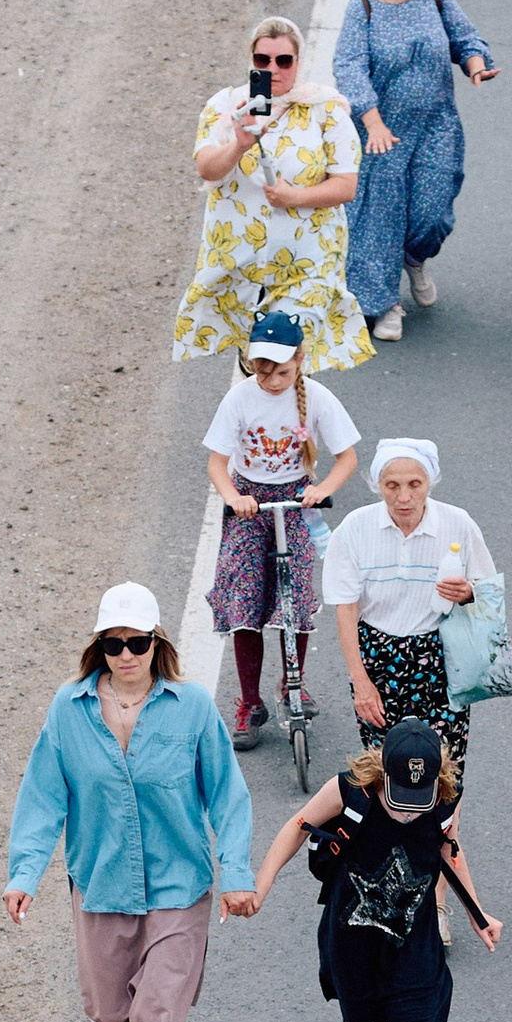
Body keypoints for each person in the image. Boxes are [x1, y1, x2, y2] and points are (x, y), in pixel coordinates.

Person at [4, 582, 258, 1022]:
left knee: (163, 1012)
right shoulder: (69, 711)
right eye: (114, 644)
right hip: (102, 883)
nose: (126, 655)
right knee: (112, 1011)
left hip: (179, 886)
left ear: (156, 645)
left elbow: (227, 796)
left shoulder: (192, 709)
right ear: (100, 647)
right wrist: (24, 873)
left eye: (137, 643)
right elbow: (43, 796)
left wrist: (238, 874)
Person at [252, 721, 500, 1022]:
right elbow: (297, 826)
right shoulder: (350, 791)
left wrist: (477, 913)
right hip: (354, 943)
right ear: (380, 773)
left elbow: (451, 851)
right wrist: (260, 888)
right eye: (399, 794)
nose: (410, 809)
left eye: (419, 796)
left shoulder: (445, 797)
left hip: (415, 945)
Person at [175, 12, 370, 375]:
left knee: (285, 354)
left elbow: (346, 185)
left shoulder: (325, 110)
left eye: (284, 61)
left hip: (305, 260)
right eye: (263, 60)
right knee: (260, 364)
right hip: (241, 261)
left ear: (299, 62)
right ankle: (265, 418)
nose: (273, 69)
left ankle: (292, 419)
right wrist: (239, 144)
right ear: (252, 61)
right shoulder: (226, 107)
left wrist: (293, 197)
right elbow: (207, 168)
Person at [203, 309, 361, 751]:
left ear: (300, 361)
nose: (272, 381)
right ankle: (250, 701)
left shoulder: (318, 398)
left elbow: (346, 457)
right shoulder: (239, 399)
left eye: (282, 372)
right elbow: (217, 462)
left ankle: (294, 683)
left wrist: (321, 488)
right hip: (251, 505)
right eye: (262, 370)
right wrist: (234, 496)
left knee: (297, 600)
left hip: (294, 503)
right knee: (245, 604)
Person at [331, 0, 494, 340]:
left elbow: (465, 37)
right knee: (379, 218)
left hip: (436, 122)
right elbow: (348, 68)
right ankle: (385, 305)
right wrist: (372, 122)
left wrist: (475, 65)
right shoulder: (362, 8)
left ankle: (414, 257)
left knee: (432, 212)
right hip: (381, 132)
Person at [323, 436, 499, 796]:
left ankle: (444, 845)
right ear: (378, 487)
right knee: (381, 767)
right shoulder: (355, 529)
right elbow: (346, 609)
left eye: (414, 484)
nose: (404, 497)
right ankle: (385, 849)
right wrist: (360, 682)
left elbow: (486, 590)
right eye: (392, 485)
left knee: (445, 769)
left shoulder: (458, 524)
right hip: (378, 659)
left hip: (440, 658)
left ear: (428, 484)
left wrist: (467, 592)